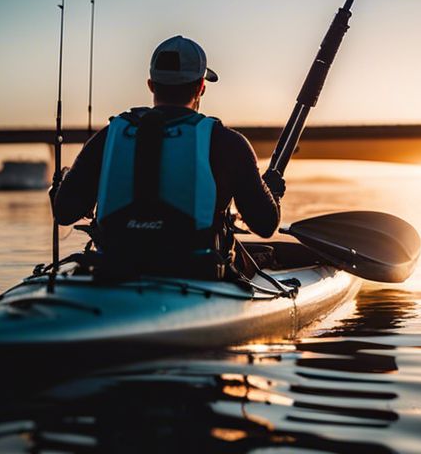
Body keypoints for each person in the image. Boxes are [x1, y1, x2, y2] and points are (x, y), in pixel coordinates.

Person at [52, 35, 285, 278]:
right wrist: (273, 192)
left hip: (112, 269)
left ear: (151, 85)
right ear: (201, 87)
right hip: (197, 274)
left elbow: (65, 212)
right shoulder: (228, 143)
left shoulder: (109, 137)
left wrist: (62, 184)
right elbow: (265, 225)